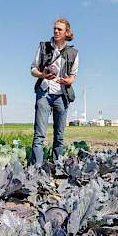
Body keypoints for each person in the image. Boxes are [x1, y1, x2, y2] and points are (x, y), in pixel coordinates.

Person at [31, 18, 79, 166]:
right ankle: (37, 168)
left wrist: (68, 81)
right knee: (39, 134)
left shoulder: (73, 53)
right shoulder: (43, 47)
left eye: (60, 29)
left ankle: (57, 166)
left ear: (67, 33)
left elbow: (73, 76)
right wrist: (42, 75)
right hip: (44, 92)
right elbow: (33, 69)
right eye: (55, 29)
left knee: (59, 135)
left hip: (61, 95)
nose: (56, 31)